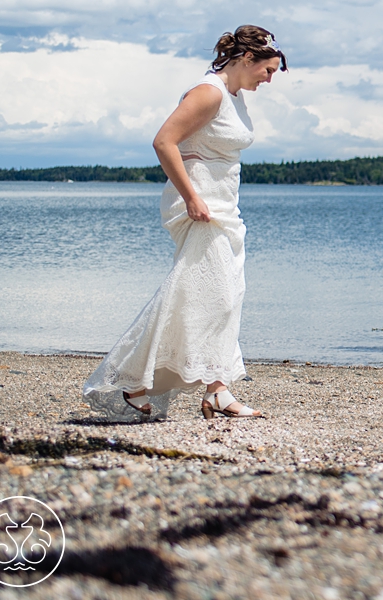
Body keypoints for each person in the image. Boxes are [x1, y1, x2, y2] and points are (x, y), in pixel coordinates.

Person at [83, 26, 287, 421]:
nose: (270, 78)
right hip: (201, 203)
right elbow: (164, 141)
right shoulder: (208, 92)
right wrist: (193, 197)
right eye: (269, 70)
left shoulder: (233, 97)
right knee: (203, 293)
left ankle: (217, 389)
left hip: (224, 204)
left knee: (225, 297)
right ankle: (131, 382)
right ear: (247, 59)